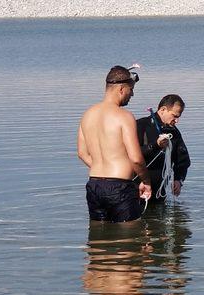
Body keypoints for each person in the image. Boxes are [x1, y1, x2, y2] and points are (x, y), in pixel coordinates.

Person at [77, 65, 152, 223]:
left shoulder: (87, 115)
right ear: (121, 88)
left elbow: (82, 153)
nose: (132, 94)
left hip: (94, 185)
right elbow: (136, 158)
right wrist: (146, 182)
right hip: (120, 188)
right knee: (129, 240)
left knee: (97, 239)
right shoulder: (124, 116)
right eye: (131, 89)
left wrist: (102, 170)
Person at [136, 94, 190, 198]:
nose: (177, 121)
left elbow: (182, 159)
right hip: (138, 188)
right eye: (174, 116)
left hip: (159, 190)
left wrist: (178, 179)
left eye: (179, 117)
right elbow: (130, 155)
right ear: (163, 110)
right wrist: (155, 145)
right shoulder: (141, 126)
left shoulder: (173, 132)